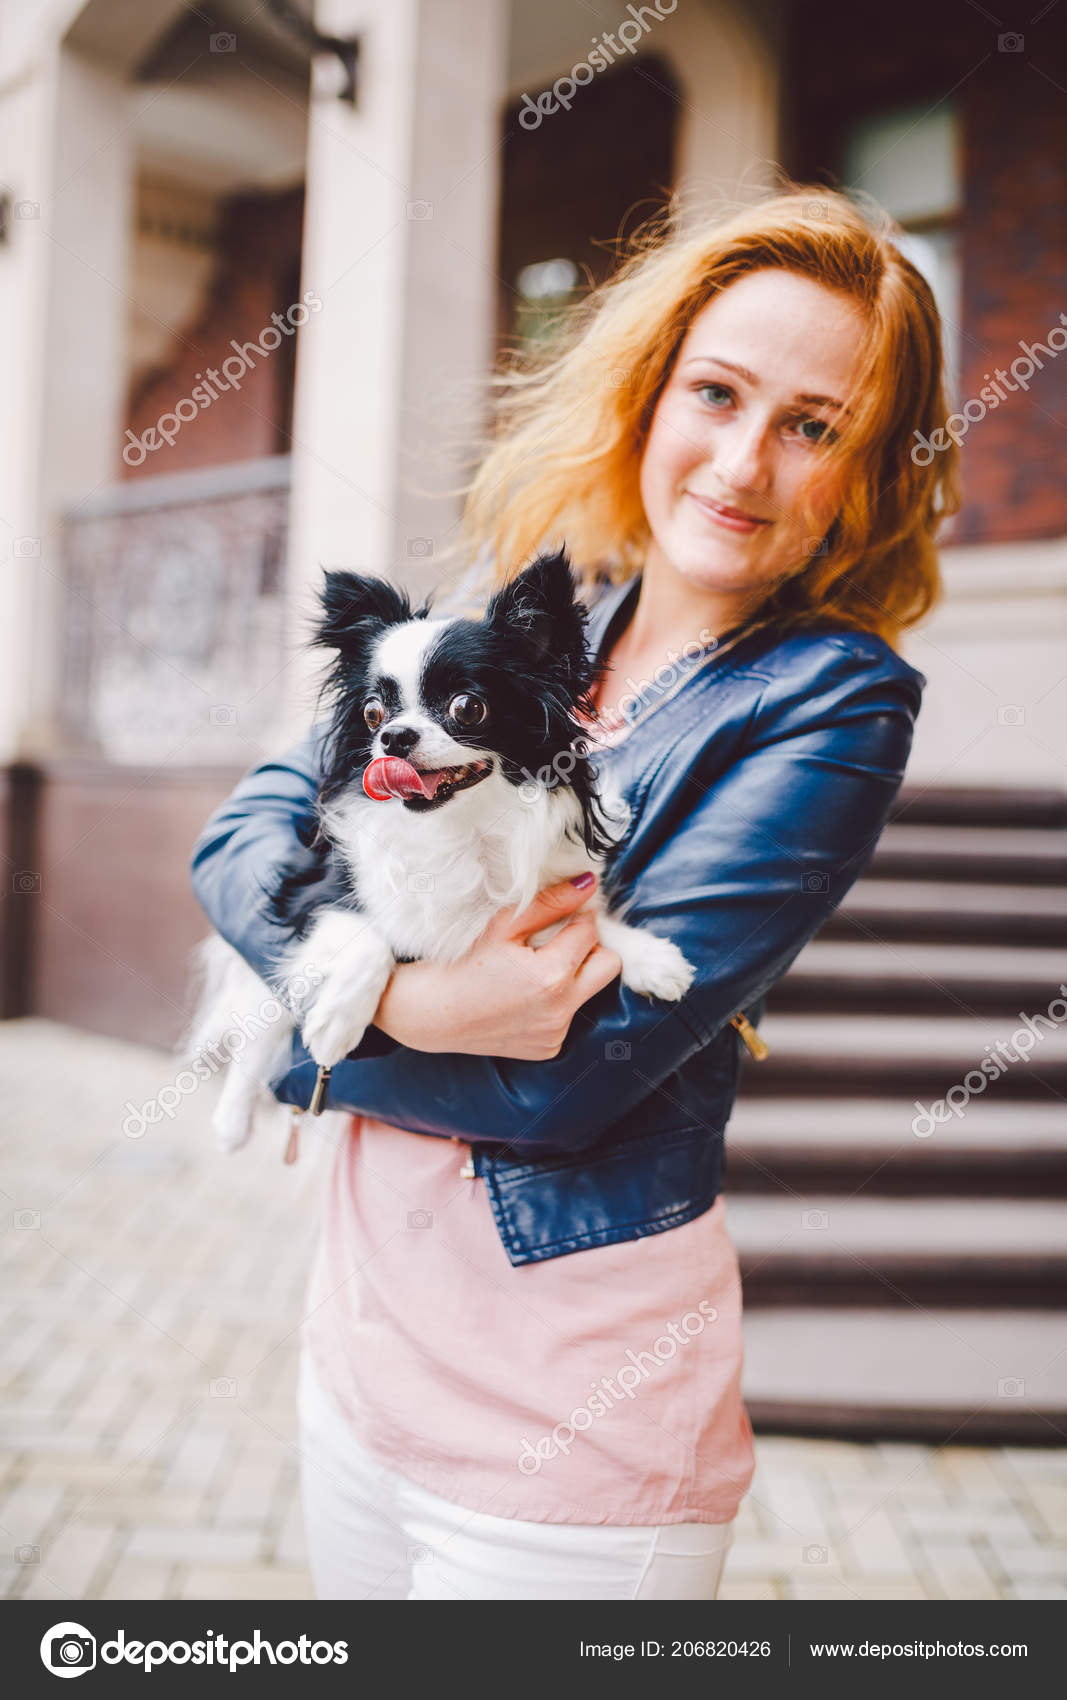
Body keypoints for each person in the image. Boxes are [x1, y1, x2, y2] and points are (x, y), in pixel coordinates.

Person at [190, 185, 960, 1601]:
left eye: (815, 425)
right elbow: (242, 833)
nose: (743, 462)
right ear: (650, 395)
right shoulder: (535, 613)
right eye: (717, 392)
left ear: (868, 470)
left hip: (572, 1437)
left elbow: (566, 1085)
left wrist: (296, 1049)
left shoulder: (834, 702)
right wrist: (423, 1002)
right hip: (359, 1363)